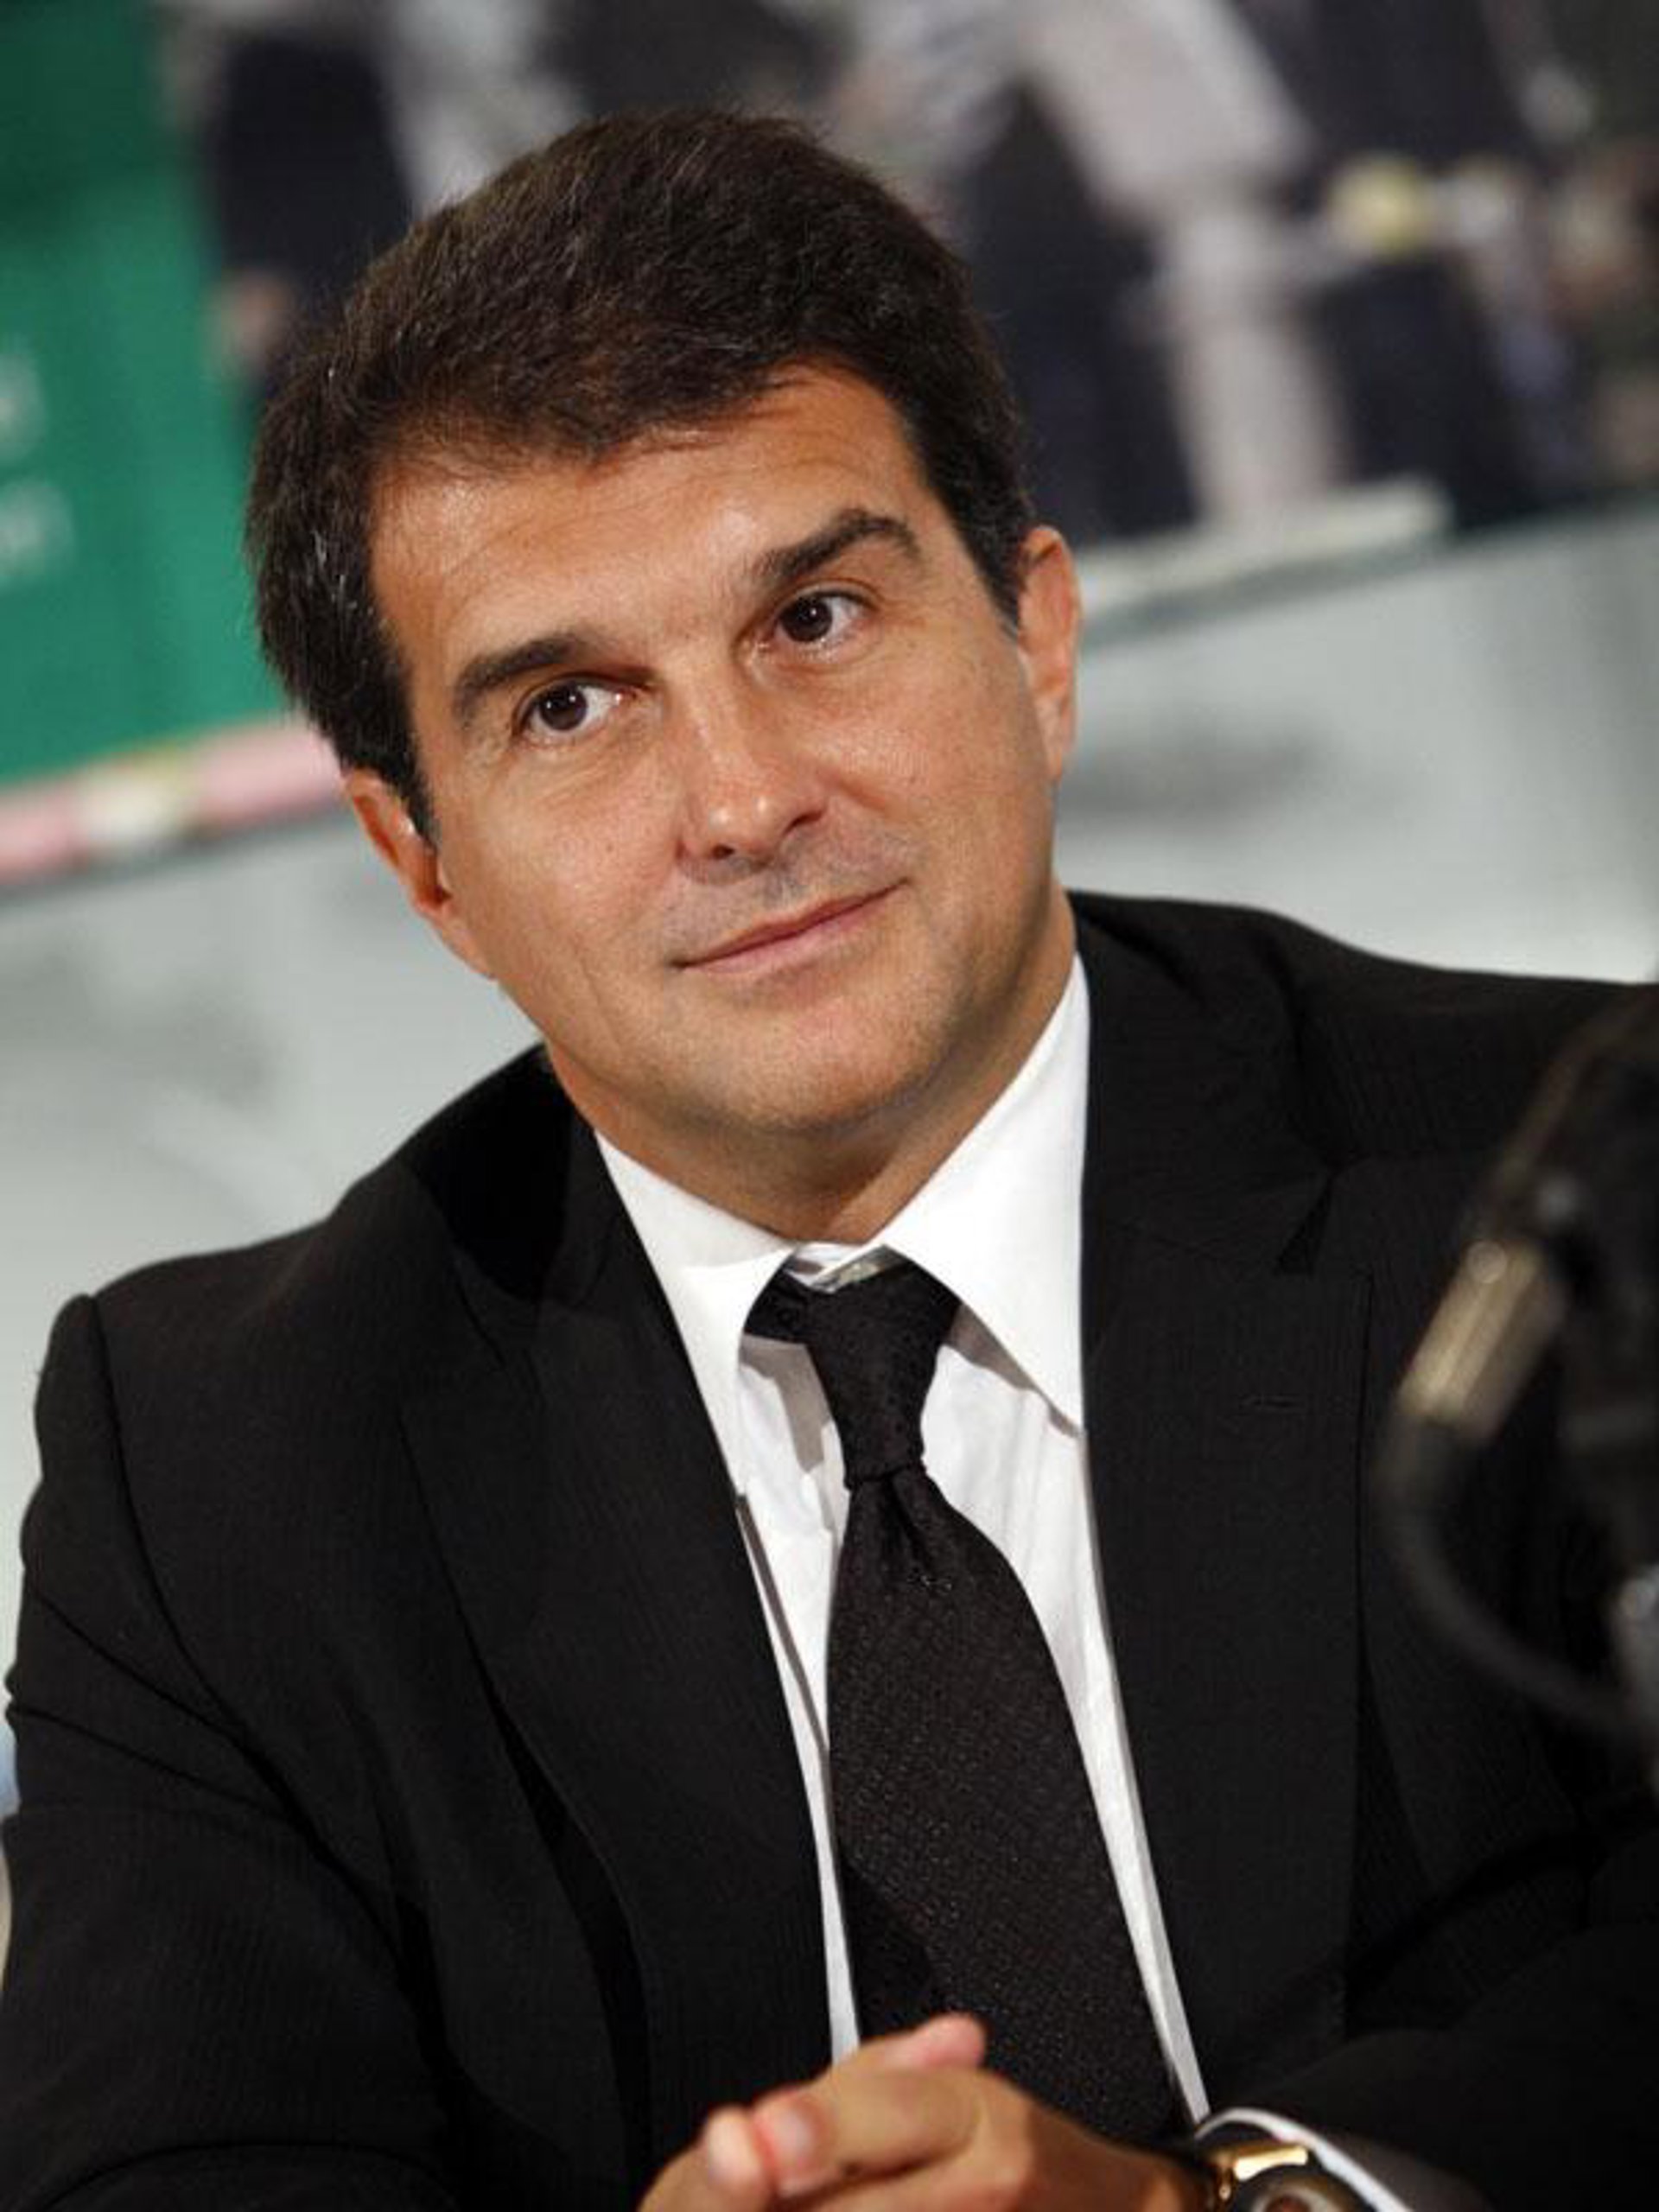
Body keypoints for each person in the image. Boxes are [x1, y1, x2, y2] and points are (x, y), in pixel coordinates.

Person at [1, 109, 1654, 2212]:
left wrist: (1235, 2203)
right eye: (571, 708)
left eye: (816, 617)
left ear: (1035, 638)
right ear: (422, 858)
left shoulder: (1574, 1174)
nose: (742, 800)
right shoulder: (219, 1465)